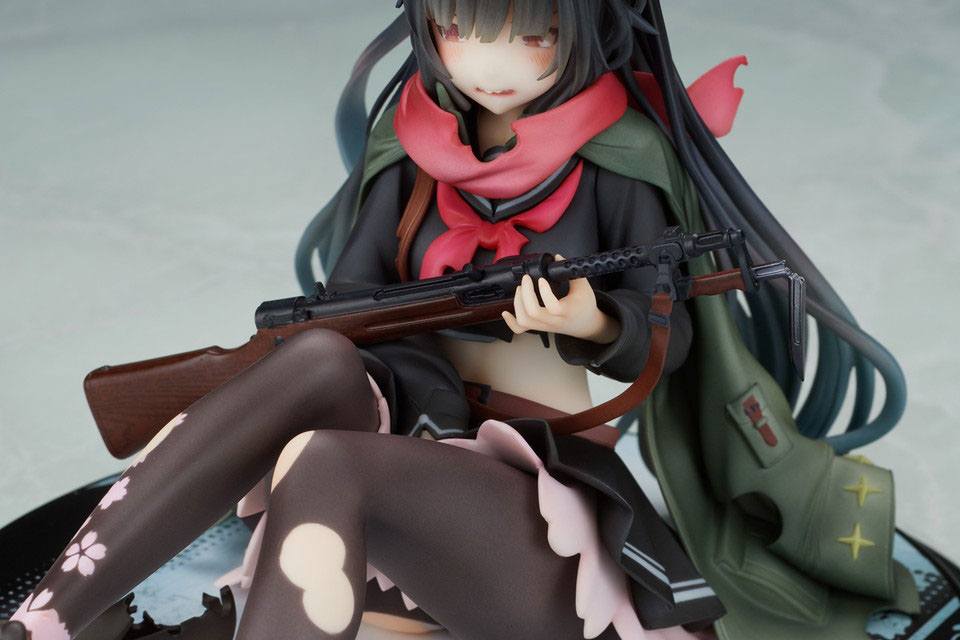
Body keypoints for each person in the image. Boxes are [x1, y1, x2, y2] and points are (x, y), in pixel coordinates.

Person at [1, 1, 922, 639]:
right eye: (456, 30)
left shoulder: (620, 159)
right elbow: (346, 300)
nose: (488, 65)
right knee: (317, 359)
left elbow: (666, 340)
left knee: (323, 460)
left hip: (525, 490)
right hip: (406, 418)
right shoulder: (409, 145)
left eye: (531, 35)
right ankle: (46, 620)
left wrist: (591, 323)